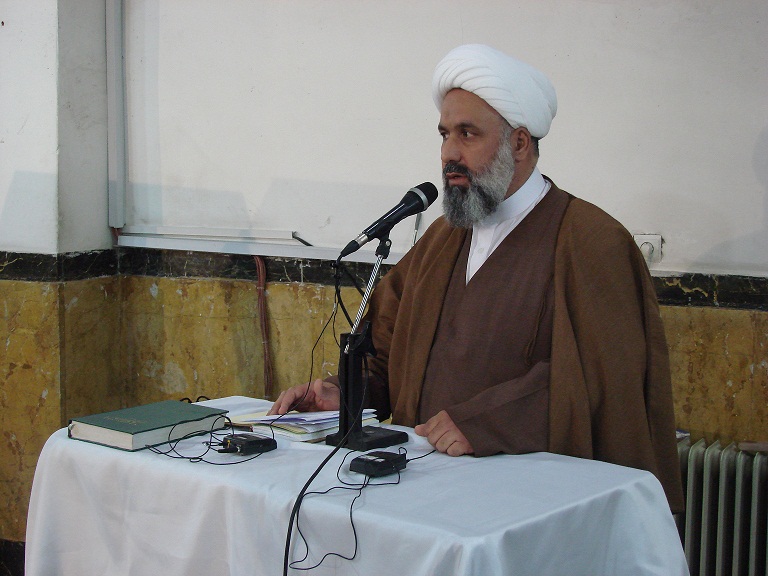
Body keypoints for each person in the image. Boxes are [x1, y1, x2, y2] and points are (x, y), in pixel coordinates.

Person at [269, 44, 684, 512]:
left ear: (519, 144)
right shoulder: (441, 239)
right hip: (419, 490)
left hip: (530, 505)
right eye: (445, 134)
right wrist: (343, 392)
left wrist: (485, 422)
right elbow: (387, 356)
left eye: (467, 134)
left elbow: (601, 380)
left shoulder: (591, 241)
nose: (449, 153)